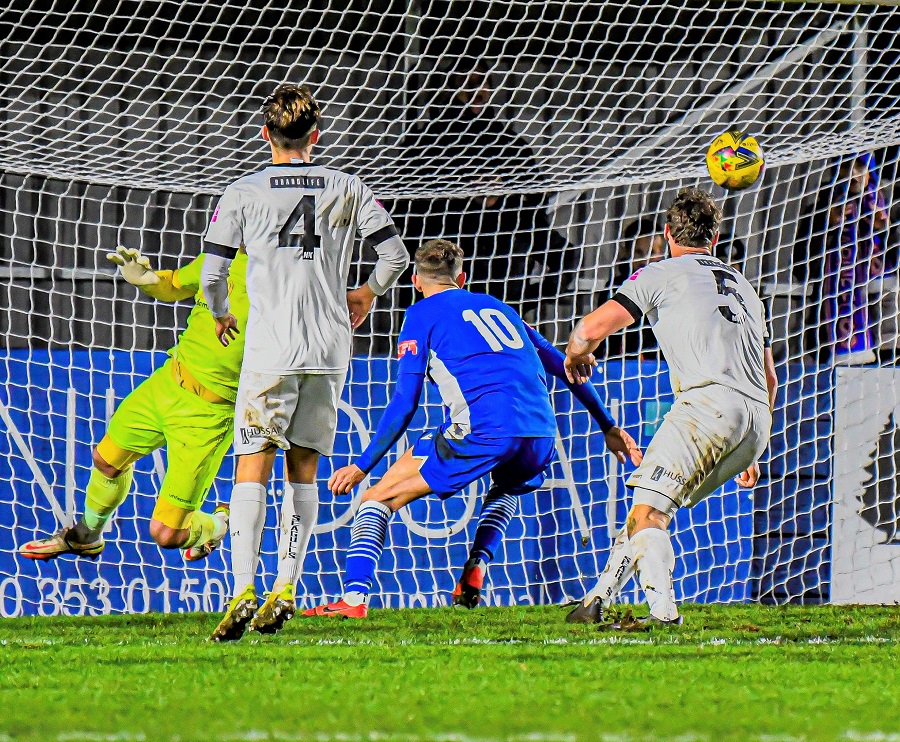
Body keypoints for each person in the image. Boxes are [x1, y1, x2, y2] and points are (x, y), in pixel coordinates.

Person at [301, 239, 641, 618]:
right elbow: (566, 365)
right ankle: (477, 564)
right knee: (509, 484)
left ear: (415, 280)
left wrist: (363, 465)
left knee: (375, 500)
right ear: (462, 278)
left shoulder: (419, 315)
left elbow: (404, 403)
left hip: (485, 428)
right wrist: (608, 425)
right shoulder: (503, 309)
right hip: (540, 430)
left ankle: (353, 600)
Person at [201, 83, 409, 641]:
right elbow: (396, 255)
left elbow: (213, 273)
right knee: (305, 468)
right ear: (316, 136)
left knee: (252, 465)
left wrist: (221, 313)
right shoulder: (348, 186)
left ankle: (243, 588)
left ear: (265, 134)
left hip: (272, 348)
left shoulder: (242, 191)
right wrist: (366, 293)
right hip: (329, 347)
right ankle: (287, 584)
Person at [563, 187, 777, 627]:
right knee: (650, 509)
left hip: (707, 407)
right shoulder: (746, 289)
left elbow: (590, 327)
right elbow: (770, 377)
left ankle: (664, 616)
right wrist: (753, 449)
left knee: (650, 515)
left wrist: (576, 353)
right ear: (715, 238)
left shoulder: (659, 272)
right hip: (757, 421)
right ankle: (596, 601)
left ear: (666, 234)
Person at [19, 246, 244, 563]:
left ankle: (219, 524)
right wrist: (146, 278)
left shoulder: (283, 279)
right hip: (169, 380)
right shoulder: (223, 261)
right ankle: (86, 536)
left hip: (208, 415)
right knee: (107, 459)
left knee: (168, 535)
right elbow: (175, 284)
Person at [394, 58, 576, 321]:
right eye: (465, 82)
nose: (475, 91)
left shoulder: (510, 145)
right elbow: (403, 212)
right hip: (440, 278)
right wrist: (461, 196)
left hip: (498, 276)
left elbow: (535, 205)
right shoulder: (425, 144)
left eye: (482, 83)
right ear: (447, 88)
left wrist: (531, 295)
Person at [794, 154, 890, 364]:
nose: (853, 174)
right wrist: (825, 225)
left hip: (881, 334)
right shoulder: (820, 210)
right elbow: (800, 268)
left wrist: (884, 231)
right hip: (826, 338)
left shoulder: (886, 211)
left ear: (870, 173)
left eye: (860, 167)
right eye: (846, 167)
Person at [604, 218, 665, 357]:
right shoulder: (615, 289)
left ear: (662, 254)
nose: (645, 261)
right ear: (627, 253)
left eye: (652, 253)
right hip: (624, 367)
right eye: (639, 253)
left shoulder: (671, 289)